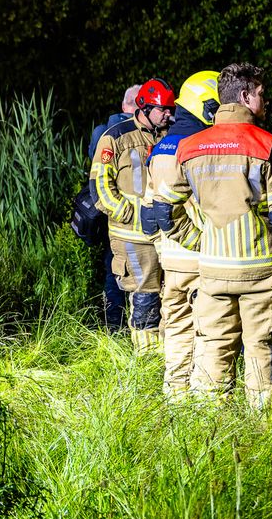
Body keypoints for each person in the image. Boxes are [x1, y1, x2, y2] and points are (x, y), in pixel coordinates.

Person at [154, 63, 272, 409]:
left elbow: (163, 210)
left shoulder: (191, 146)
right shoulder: (266, 145)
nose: (264, 101)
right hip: (260, 273)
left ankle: (210, 438)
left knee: (213, 353)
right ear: (244, 96)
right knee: (262, 357)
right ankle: (266, 438)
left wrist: (198, 240)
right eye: (260, 94)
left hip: (211, 272)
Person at [140, 70, 219, 400]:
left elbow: (148, 214)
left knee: (175, 328)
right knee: (207, 332)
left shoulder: (160, 147)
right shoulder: (201, 146)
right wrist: (203, 245)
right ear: (208, 106)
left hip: (170, 259)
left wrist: (162, 247)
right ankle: (203, 405)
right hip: (200, 255)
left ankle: (175, 397)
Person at [91, 78, 176, 352]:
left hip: (165, 236)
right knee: (145, 300)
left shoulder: (169, 135)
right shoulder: (115, 137)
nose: (168, 114)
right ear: (144, 107)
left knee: (170, 299)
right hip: (133, 238)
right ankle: (147, 362)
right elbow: (100, 189)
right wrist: (132, 214)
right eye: (163, 109)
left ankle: (167, 360)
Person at [89, 85, 139, 333]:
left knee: (114, 268)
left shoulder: (101, 131)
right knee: (120, 271)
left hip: (112, 215)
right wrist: (127, 212)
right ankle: (118, 325)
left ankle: (114, 327)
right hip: (125, 216)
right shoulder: (115, 133)